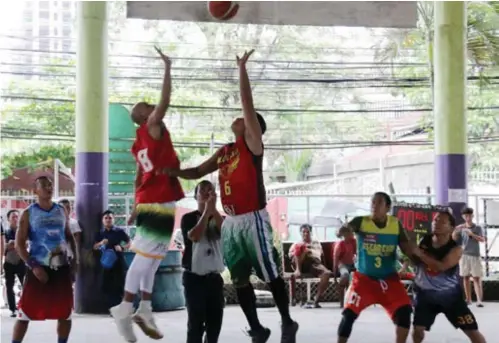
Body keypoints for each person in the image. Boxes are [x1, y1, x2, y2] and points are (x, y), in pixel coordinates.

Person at [167, 50, 298, 343]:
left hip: (253, 216)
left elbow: (247, 103)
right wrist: (171, 172)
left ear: (254, 128)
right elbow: (198, 169)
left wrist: (241, 68)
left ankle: (287, 322)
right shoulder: (225, 151)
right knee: (239, 279)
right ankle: (257, 328)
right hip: (233, 222)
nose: (238, 118)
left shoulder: (252, 144)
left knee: (270, 273)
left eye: (245, 118)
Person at [110, 45, 185, 343]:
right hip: (156, 199)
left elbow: (138, 175)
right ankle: (125, 306)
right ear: (143, 117)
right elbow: (165, 100)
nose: (151, 105)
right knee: (143, 258)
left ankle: (145, 307)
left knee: (153, 258)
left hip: (149, 199)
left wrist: (134, 205)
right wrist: (167, 67)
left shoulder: (138, 142)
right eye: (146, 106)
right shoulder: (152, 125)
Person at [336, 192, 417, 343]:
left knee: (405, 313)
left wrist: (418, 263)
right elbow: (345, 229)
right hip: (364, 280)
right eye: (373, 202)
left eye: (379, 202)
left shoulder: (395, 224)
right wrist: (343, 230)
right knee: (348, 315)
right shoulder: (361, 221)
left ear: (387, 207)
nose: (374, 205)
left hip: (389, 280)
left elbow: (407, 249)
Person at [11, 176, 78, 343]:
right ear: (36, 190)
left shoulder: (61, 210)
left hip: (61, 267)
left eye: (50, 185)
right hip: (38, 267)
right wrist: (33, 266)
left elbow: (69, 237)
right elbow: (19, 244)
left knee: (65, 313)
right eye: (45, 185)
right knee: (25, 313)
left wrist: (75, 261)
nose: (49, 188)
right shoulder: (28, 213)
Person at [411, 210, 487, 343]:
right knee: (417, 330)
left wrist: (420, 254)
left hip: (450, 297)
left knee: (472, 332)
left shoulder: (456, 248)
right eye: (435, 220)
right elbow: (416, 260)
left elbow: (441, 266)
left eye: (442, 221)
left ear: (451, 228)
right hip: (425, 295)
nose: (436, 223)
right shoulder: (425, 240)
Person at [181, 180, 225, 343]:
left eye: (211, 190)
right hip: (194, 279)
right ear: (196, 196)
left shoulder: (220, 218)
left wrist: (214, 211)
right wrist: (207, 213)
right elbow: (195, 236)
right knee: (195, 325)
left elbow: (225, 233)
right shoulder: (188, 218)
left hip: (214, 279)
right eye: (203, 191)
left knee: (215, 325)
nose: (207, 193)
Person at [94, 210, 131, 309]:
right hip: (106, 263)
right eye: (106, 218)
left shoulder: (119, 232)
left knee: (120, 284)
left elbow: (130, 242)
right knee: (107, 285)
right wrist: (101, 243)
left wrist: (122, 248)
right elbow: (94, 246)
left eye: (110, 218)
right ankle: (112, 307)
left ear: (114, 219)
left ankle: (121, 307)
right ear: (102, 220)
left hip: (118, 262)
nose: (108, 220)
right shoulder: (100, 233)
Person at [288, 224, 332, 308]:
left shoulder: (315, 242)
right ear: (300, 233)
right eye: (303, 232)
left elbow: (319, 254)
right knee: (300, 246)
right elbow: (290, 255)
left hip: (314, 263)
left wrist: (309, 250)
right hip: (300, 263)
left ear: (311, 232)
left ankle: (316, 299)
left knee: (327, 273)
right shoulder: (296, 243)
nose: (306, 234)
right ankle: (298, 270)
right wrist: (302, 250)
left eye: (307, 232)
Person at [457, 207, 485, 307]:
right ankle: (468, 299)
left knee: (476, 278)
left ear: (472, 216)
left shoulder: (478, 228)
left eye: (469, 215)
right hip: (464, 255)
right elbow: (453, 238)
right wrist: (455, 231)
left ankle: (479, 300)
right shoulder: (461, 227)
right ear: (463, 216)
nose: (468, 218)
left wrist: (472, 234)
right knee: (465, 277)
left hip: (475, 255)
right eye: (466, 216)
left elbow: (482, 240)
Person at [3, 210, 26, 317]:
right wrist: (13, 244)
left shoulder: (22, 231)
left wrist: (13, 244)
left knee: (25, 285)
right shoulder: (5, 232)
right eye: (13, 217)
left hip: (21, 261)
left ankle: (25, 306)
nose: (16, 219)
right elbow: (4, 247)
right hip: (9, 262)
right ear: (8, 219)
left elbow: (25, 244)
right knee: (9, 286)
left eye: (17, 217)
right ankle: (13, 309)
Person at [333, 225, 357, 308]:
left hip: (352, 264)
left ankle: (350, 302)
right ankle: (341, 301)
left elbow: (357, 253)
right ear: (346, 234)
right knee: (345, 275)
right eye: (351, 232)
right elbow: (335, 260)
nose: (353, 234)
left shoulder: (353, 242)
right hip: (342, 264)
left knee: (355, 278)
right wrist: (335, 275)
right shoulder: (340, 245)